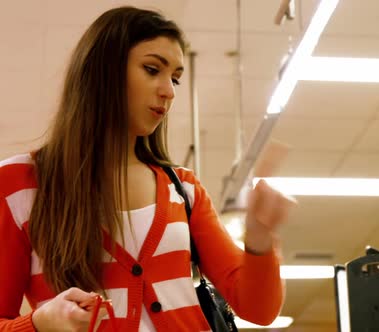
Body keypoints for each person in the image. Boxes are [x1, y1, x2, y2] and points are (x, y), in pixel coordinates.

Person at [0, 6, 293, 332]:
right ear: (103, 70)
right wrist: (38, 323)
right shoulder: (18, 184)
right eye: (152, 69)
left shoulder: (182, 189)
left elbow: (259, 309)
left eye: (176, 79)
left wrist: (259, 240)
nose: (168, 90)